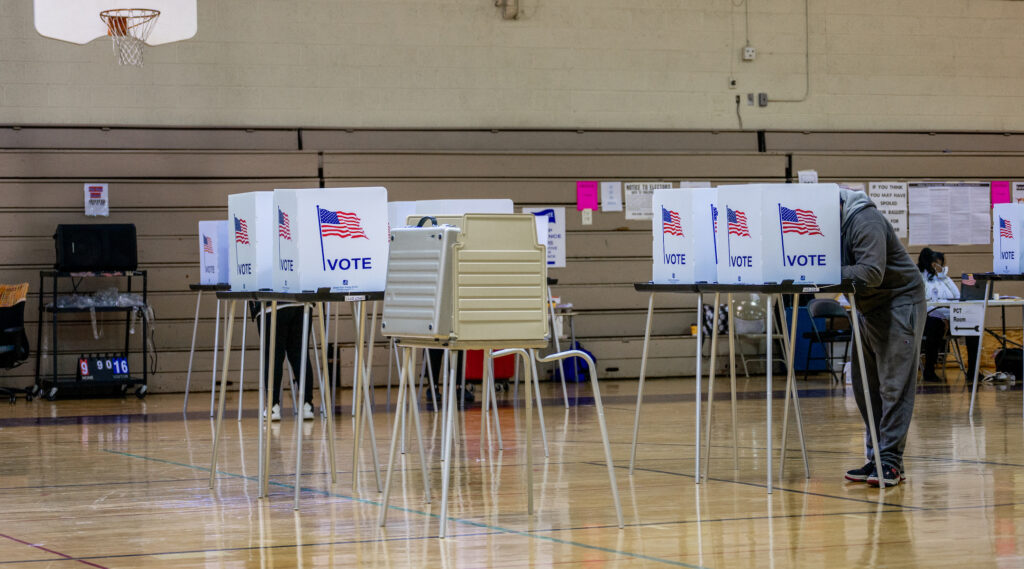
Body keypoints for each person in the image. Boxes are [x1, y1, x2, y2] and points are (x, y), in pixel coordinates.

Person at [839, 188, 926, 488]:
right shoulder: (835, 226)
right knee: (866, 388)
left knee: (894, 387)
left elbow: (870, 273)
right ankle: (877, 458)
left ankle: (890, 462)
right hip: (868, 309)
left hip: (899, 304)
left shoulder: (865, 220)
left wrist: (824, 271)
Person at [918, 248, 979, 382]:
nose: (939, 267)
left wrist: (943, 277)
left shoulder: (945, 279)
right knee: (936, 325)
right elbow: (925, 302)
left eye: (941, 264)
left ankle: (973, 371)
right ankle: (929, 371)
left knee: (974, 327)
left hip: (951, 316)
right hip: (930, 317)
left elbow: (958, 297)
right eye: (936, 264)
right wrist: (942, 316)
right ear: (929, 263)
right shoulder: (921, 278)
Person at [252, 302, 315, 421]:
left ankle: (273, 406)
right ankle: (307, 406)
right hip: (302, 301)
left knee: (273, 357)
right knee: (300, 355)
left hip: (271, 302)